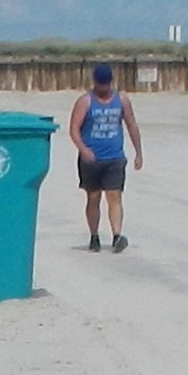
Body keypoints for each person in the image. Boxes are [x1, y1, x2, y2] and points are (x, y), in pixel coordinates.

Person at [68, 62, 143, 252]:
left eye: (106, 84)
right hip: (91, 160)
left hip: (115, 157)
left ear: (111, 81)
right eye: (100, 84)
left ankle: (117, 236)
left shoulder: (122, 100)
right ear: (95, 82)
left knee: (114, 195)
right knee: (93, 198)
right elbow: (74, 129)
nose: (103, 88)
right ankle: (94, 236)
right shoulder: (85, 101)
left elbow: (131, 125)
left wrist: (138, 152)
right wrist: (84, 149)